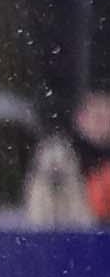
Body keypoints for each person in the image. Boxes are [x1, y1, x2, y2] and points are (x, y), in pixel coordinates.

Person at [29, 87, 110, 226]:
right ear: (80, 119)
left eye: (106, 117)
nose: (101, 124)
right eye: (96, 116)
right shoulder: (58, 157)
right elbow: (42, 213)